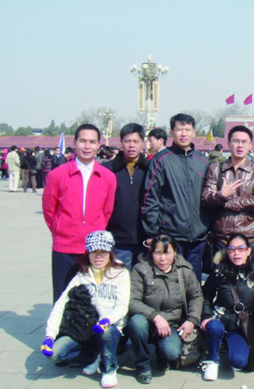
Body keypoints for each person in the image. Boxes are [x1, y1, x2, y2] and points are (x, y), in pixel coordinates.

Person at [40, 231, 130, 388]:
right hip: (86, 328)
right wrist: (50, 336)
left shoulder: (121, 273)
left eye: (103, 252)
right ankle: (93, 354)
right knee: (55, 355)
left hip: (110, 326)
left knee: (106, 332)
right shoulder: (81, 275)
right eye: (94, 252)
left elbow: (122, 306)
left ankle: (109, 369)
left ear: (110, 252)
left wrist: (107, 320)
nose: (98, 257)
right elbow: (60, 305)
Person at [43, 124, 117, 303]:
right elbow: (49, 210)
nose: (87, 146)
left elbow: (107, 211)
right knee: (62, 296)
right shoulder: (57, 175)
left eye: (92, 142)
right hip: (64, 247)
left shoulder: (107, 177)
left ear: (99, 145)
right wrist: (61, 230)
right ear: (74, 142)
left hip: (93, 248)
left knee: (93, 299)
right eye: (83, 141)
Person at [142, 113, 210, 281]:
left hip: (198, 236)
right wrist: (152, 232)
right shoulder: (161, 160)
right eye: (179, 129)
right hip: (171, 234)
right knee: (170, 281)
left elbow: (209, 197)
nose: (183, 134)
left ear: (194, 132)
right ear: (171, 132)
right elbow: (150, 197)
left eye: (187, 129)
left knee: (193, 281)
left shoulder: (202, 161)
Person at [128, 234, 203, 384]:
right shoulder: (140, 269)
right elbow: (132, 301)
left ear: (175, 252)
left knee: (171, 352)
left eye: (167, 253)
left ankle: (162, 354)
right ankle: (143, 365)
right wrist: (155, 317)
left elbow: (196, 296)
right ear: (151, 253)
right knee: (137, 323)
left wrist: (192, 320)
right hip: (147, 320)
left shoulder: (184, 270)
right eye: (158, 253)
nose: (162, 258)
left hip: (172, 323)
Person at [199, 234, 254, 380]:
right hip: (220, 318)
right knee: (214, 327)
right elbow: (206, 294)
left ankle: (225, 344)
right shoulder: (220, 271)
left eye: (241, 249)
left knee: (239, 362)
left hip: (241, 324)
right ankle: (212, 360)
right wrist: (206, 315)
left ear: (249, 250)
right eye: (232, 249)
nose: (236, 253)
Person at [202, 125, 254, 255]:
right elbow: (206, 200)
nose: (240, 145)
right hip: (222, 237)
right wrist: (221, 195)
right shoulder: (215, 169)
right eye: (236, 141)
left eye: (244, 142)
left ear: (251, 145)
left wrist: (225, 201)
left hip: (249, 237)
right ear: (228, 143)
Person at [103, 123, 149, 270]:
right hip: (118, 239)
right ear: (121, 142)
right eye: (127, 141)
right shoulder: (108, 169)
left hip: (144, 238)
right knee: (120, 279)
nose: (131, 145)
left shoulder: (150, 169)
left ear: (142, 143)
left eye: (136, 141)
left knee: (144, 280)